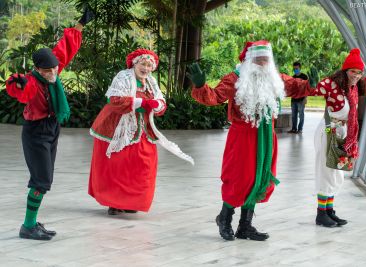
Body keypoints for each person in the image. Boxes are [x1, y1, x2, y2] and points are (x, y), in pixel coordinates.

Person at [187, 40, 311, 241]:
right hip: (242, 136)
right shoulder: (234, 79)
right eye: (258, 59)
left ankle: (245, 226)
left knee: (260, 178)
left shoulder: (275, 78)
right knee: (239, 178)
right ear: (247, 60)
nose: (262, 63)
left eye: (266, 59)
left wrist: (309, 84)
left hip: (266, 136)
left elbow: (296, 87)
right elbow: (214, 97)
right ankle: (225, 218)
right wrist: (201, 86)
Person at [5, 8, 95, 240]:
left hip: (52, 128)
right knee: (41, 181)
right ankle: (27, 226)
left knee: (45, 179)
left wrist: (80, 25)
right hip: (36, 132)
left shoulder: (53, 70)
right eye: (47, 70)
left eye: (55, 68)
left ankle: (32, 222)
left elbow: (65, 48)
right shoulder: (34, 83)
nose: (53, 72)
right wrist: (17, 83)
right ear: (37, 69)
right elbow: (19, 90)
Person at [89, 49, 193, 216]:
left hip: (143, 128)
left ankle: (132, 201)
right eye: (142, 64)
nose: (146, 68)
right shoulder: (123, 77)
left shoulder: (151, 82)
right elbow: (114, 101)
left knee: (142, 165)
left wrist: (156, 105)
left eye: (149, 65)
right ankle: (114, 202)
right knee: (118, 165)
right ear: (134, 63)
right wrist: (141, 103)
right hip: (118, 127)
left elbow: (161, 103)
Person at [308, 48, 366, 227]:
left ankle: (329, 211)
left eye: (359, 72)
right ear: (345, 71)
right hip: (329, 131)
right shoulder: (332, 85)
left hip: (343, 133)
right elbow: (314, 89)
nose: (356, 75)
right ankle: (321, 214)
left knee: (337, 173)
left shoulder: (355, 87)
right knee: (327, 172)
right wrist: (309, 83)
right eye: (353, 72)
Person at [288, 61, 308, 134]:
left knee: (301, 115)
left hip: (301, 99)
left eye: (296, 68)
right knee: (294, 115)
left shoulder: (304, 77)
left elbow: (307, 88)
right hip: (294, 99)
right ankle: (294, 129)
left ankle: (300, 129)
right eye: (294, 69)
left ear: (300, 68)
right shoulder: (293, 77)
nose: (295, 70)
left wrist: (305, 98)